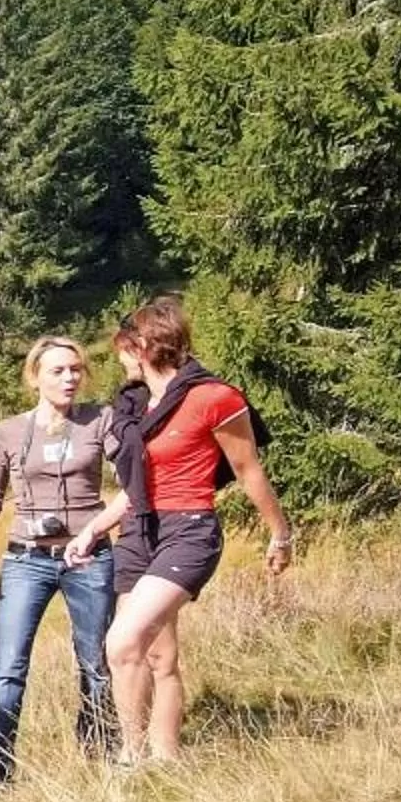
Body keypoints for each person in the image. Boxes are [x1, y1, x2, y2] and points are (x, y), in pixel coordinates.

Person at [61, 297, 296, 763]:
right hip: (138, 532)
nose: (121, 359)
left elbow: (249, 470)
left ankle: (131, 758)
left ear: (145, 345)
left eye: (125, 349)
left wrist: (280, 534)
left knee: (122, 641)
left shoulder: (214, 398)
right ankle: (166, 760)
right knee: (157, 656)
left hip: (189, 531)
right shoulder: (135, 406)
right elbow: (135, 490)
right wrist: (91, 531)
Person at [0, 335, 119, 787]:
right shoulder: (8, 431)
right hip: (26, 558)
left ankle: (101, 747)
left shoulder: (100, 420)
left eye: (75, 370)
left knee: (96, 659)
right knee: (8, 665)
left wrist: (98, 529)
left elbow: (128, 485)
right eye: (57, 371)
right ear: (35, 377)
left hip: (89, 556)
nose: (69, 378)